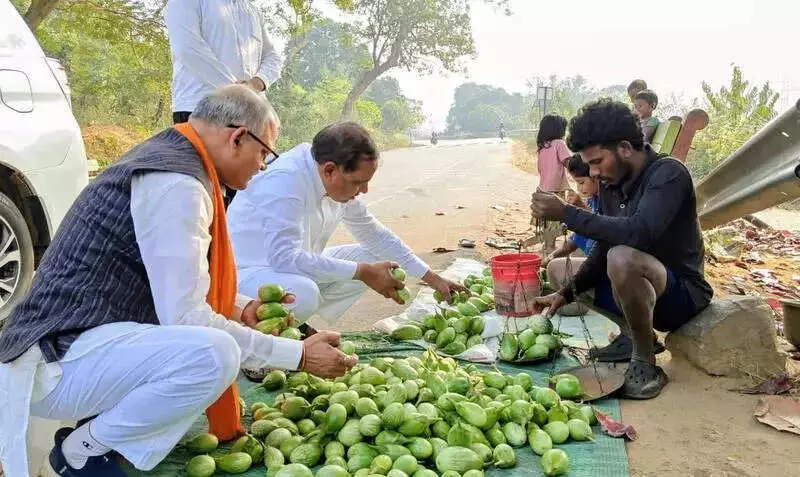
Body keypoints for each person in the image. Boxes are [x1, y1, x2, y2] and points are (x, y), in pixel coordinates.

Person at [0, 86, 355, 477]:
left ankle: (102, 436)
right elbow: (187, 319)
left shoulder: (177, 164)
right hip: (55, 358)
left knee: (206, 356)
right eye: (264, 154)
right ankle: (81, 452)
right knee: (213, 355)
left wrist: (240, 308)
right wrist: (298, 355)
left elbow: (177, 281)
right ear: (238, 138)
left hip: (83, 344)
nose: (262, 167)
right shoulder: (177, 183)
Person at [530, 98, 713, 400]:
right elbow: (605, 243)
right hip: (640, 290)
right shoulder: (611, 183)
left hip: (681, 295)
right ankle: (633, 335)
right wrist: (565, 294)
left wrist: (566, 213)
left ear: (625, 148)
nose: (593, 172)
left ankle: (644, 359)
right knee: (559, 270)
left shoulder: (669, 174)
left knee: (622, 257)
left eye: (597, 162)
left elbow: (638, 233)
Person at [227, 122, 467, 325]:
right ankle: (264, 343)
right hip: (245, 276)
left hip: (290, 269)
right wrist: (361, 272)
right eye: (358, 182)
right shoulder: (286, 182)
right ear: (330, 170)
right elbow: (285, 258)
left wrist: (432, 278)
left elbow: (375, 235)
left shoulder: (332, 177)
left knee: (378, 260)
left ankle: (295, 323)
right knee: (305, 294)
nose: (364, 190)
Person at [164, 0, 282, 125]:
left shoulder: (254, 12)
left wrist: (255, 84)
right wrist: (240, 92)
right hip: (199, 108)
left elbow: (273, 57)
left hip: (248, 113)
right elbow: (187, 48)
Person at [535, 114, 572, 194]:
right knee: (558, 203)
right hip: (556, 188)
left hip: (543, 187)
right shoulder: (559, 143)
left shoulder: (543, 146)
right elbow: (568, 163)